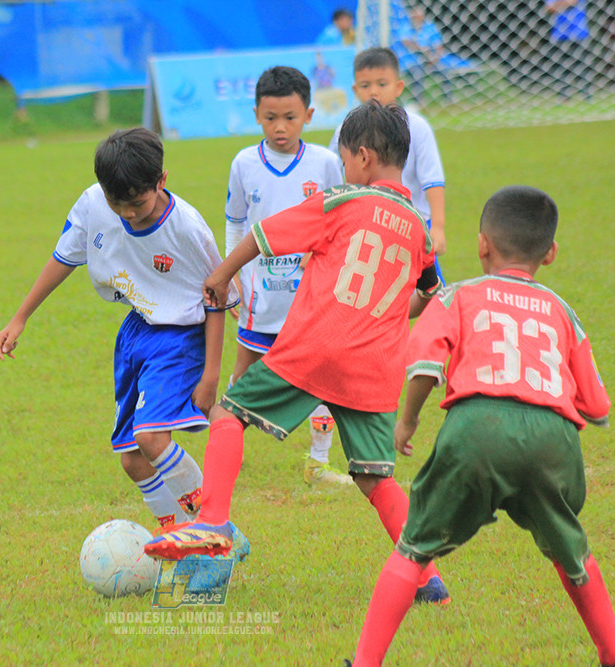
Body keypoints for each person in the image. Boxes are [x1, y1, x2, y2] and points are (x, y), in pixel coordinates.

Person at [145, 101, 451, 606]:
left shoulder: (342, 200)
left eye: (346, 158)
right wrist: (388, 309)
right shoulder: (419, 229)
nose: (344, 167)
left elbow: (265, 237)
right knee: (374, 478)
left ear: (364, 158)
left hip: (316, 346)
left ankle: (213, 522)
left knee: (228, 414)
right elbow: (427, 293)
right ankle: (428, 580)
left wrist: (220, 275)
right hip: (375, 369)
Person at [349, 186, 615, 667]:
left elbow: (423, 365)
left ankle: (364, 663)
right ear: (550, 254)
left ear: (482, 244)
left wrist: (408, 421)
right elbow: (598, 407)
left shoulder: (459, 295)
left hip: (476, 427)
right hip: (553, 438)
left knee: (414, 547)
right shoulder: (563, 312)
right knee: (572, 551)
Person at [0, 128, 248, 561]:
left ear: (161, 180)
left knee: (150, 436)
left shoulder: (187, 229)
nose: (129, 214)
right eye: (119, 204)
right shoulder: (94, 204)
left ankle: (213, 532)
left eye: (138, 203)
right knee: (132, 458)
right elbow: (63, 258)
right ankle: (171, 536)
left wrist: (210, 375)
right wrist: (20, 317)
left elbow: (218, 297)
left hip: (183, 332)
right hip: (138, 329)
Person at [225, 65, 350, 487]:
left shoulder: (326, 163)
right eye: (271, 118)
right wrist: (232, 276)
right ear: (256, 114)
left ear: (309, 115)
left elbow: (339, 224)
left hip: (312, 294)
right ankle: (224, 447)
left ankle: (317, 462)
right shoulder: (244, 163)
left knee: (325, 374)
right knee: (245, 371)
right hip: (261, 296)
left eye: (290, 118)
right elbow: (236, 223)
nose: (280, 128)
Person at [329, 48, 448, 284]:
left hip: (415, 224)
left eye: (382, 84)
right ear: (355, 90)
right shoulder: (346, 129)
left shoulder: (417, 127)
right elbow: (334, 177)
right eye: (365, 85)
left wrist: (439, 227)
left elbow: (432, 180)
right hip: (366, 227)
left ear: (398, 87)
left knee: (432, 295)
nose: (373, 91)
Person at [397, 5, 455, 104]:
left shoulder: (430, 27)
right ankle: (418, 101)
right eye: (415, 16)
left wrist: (435, 57)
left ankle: (448, 99)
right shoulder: (406, 27)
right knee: (417, 73)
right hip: (412, 61)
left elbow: (438, 45)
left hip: (430, 60)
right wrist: (423, 50)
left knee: (444, 70)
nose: (418, 18)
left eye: (420, 16)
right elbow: (406, 42)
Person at [545, 0, 594, 100]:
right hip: (560, 34)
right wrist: (564, 3)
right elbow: (550, 8)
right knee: (562, 66)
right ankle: (564, 96)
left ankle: (586, 95)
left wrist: (559, 4)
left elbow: (572, 1)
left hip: (578, 32)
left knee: (582, 65)